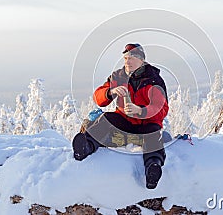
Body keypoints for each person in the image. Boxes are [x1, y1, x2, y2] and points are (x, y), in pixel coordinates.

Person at [72, 43, 169, 189]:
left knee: (153, 134)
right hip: (124, 120)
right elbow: (98, 98)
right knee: (106, 119)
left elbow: (161, 108)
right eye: (125, 58)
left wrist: (140, 110)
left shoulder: (154, 80)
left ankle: (152, 169)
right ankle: (86, 146)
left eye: (131, 58)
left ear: (142, 60)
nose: (127, 62)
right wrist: (110, 92)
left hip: (147, 123)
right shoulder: (118, 76)